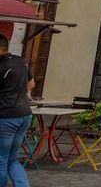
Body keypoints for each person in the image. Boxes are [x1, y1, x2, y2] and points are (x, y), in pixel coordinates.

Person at [0, 34, 33, 187]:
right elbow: (31, 84)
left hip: (7, 116)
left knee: (1, 159)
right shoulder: (21, 62)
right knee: (12, 158)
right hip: (25, 114)